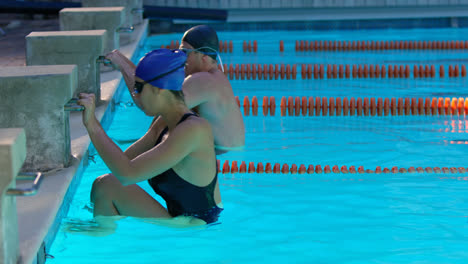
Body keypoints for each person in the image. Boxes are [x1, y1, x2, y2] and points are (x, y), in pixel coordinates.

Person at [78, 49, 223, 228]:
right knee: (102, 186)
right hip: (178, 219)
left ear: (159, 90)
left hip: (198, 226)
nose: (135, 95)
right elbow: (123, 162)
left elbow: (127, 173)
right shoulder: (163, 123)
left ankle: (101, 233)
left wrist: (92, 124)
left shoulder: (193, 130)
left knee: (106, 185)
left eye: (139, 88)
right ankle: (101, 229)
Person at [106, 25, 245, 155]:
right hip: (228, 155)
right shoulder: (214, 77)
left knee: (163, 124)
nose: (181, 58)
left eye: (185, 52)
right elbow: (153, 91)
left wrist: (121, 63)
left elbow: (149, 104)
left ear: (204, 56)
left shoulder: (202, 80)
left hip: (223, 158)